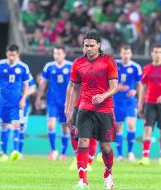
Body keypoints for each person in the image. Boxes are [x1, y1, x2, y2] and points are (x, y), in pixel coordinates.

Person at [65, 31, 118, 189]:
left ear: (99, 45)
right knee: (82, 141)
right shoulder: (78, 63)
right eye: (86, 45)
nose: (88, 48)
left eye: (91, 45)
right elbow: (75, 88)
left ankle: (108, 173)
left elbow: (114, 87)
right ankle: (82, 180)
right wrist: (69, 110)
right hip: (85, 108)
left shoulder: (109, 61)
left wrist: (103, 95)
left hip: (105, 108)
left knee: (105, 147)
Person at [0, 44, 30, 161]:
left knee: (16, 124)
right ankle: (3, 153)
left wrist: (23, 99)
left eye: (14, 55)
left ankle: (15, 151)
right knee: (4, 126)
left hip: (16, 103)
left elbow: (26, 85)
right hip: (3, 102)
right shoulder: (0, 65)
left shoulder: (23, 67)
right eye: (9, 54)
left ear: (17, 54)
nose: (11, 57)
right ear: (6, 53)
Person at [35, 46, 72, 160]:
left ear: (64, 54)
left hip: (66, 102)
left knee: (65, 128)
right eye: (55, 53)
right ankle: (54, 150)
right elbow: (43, 84)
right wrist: (38, 98)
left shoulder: (70, 66)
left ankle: (63, 153)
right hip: (52, 101)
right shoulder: (49, 66)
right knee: (50, 125)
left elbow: (75, 85)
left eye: (59, 53)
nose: (57, 56)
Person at [113, 45, 142, 162]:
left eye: (128, 53)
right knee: (118, 127)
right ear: (120, 54)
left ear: (131, 54)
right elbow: (107, 82)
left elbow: (140, 85)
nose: (126, 55)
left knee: (131, 125)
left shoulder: (136, 67)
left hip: (130, 102)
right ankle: (120, 155)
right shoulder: (115, 65)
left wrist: (135, 93)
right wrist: (117, 87)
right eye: (124, 53)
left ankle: (130, 152)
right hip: (117, 101)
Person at [138, 44, 161, 166]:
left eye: (159, 52)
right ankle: (145, 157)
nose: (157, 54)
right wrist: (140, 103)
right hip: (149, 103)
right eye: (155, 52)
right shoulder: (146, 68)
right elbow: (143, 87)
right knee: (147, 130)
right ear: (152, 53)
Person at [19, 74, 36, 159]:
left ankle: (19, 152)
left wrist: (23, 94)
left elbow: (33, 88)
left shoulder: (25, 72)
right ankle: (5, 151)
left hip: (23, 104)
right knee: (8, 126)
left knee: (21, 127)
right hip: (9, 102)